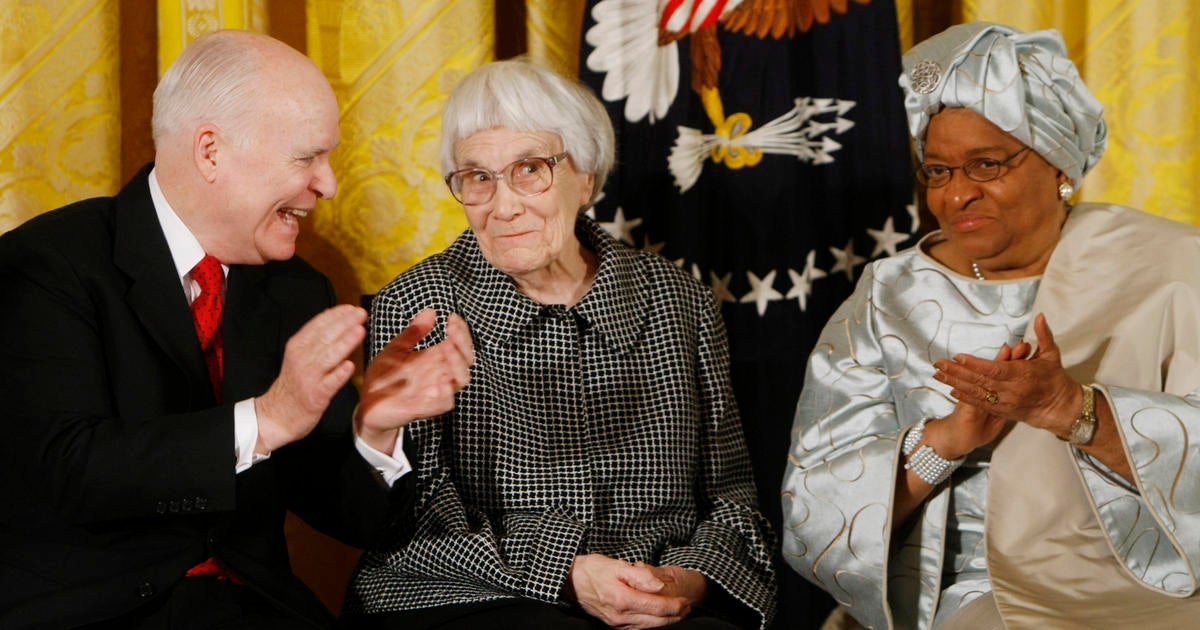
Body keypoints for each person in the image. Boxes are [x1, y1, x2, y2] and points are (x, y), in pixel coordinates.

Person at [0, 30, 474, 629]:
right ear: (210, 152)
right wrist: (270, 418)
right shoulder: (47, 265)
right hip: (89, 612)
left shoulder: (298, 289)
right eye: (307, 158)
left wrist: (374, 430)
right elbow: (75, 472)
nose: (327, 184)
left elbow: (351, 519)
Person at [781, 21, 1200, 630]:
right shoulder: (890, 295)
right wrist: (947, 440)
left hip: (1153, 576)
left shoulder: (1168, 265)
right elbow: (814, 509)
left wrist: (1076, 411)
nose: (957, 196)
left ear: (1057, 162)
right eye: (939, 171)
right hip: (968, 588)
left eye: (986, 164)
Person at [341, 59, 777, 630]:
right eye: (477, 177)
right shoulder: (419, 305)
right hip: (480, 593)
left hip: (659, 590)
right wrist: (565, 572)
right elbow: (414, 521)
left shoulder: (678, 299)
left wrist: (685, 579)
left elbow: (731, 496)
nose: (503, 205)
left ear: (587, 178)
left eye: (529, 169)